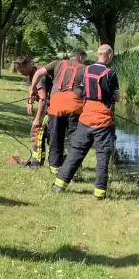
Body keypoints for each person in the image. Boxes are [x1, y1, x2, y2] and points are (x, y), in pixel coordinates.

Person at [53, 44, 119, 199]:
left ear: (98, 55)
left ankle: (59, 185)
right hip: (103, 119)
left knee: (75, 152)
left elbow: (83, 91)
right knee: (102, 156)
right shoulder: (110, 73)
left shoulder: (86, 70)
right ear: (109, 55)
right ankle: (99, 193)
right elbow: (117, 97)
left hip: (85, 116)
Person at [28, 49, 87, 174]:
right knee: (74, 139)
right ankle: (74, 170)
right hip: (75, 106)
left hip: (56, 105)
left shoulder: (57, 63)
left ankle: (55, 168)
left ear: (71, 57)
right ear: (81, 58)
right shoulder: (85, 69)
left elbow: (38, 73)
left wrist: (32, 90)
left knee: (55, 137)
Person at [13, 56, 50, 165]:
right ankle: (42, 160)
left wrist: (38, 118)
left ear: (27, 65)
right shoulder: (31, 73)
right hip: (49, 106)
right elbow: (30, 86)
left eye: (22, 70)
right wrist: (30, 102)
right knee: (46, 135)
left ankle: (37, 162)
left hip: (50, 106)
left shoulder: (39, 76)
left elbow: (43, 99)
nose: (21, 73)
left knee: (36, 132)